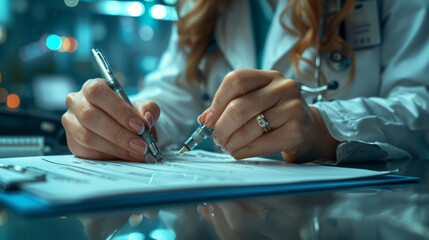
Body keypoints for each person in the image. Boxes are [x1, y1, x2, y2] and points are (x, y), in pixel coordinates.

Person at [62, 0, 429, 164]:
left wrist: (322, 128)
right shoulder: (199, 5)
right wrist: (131, 125)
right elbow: (173, 93)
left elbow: (420, 104)